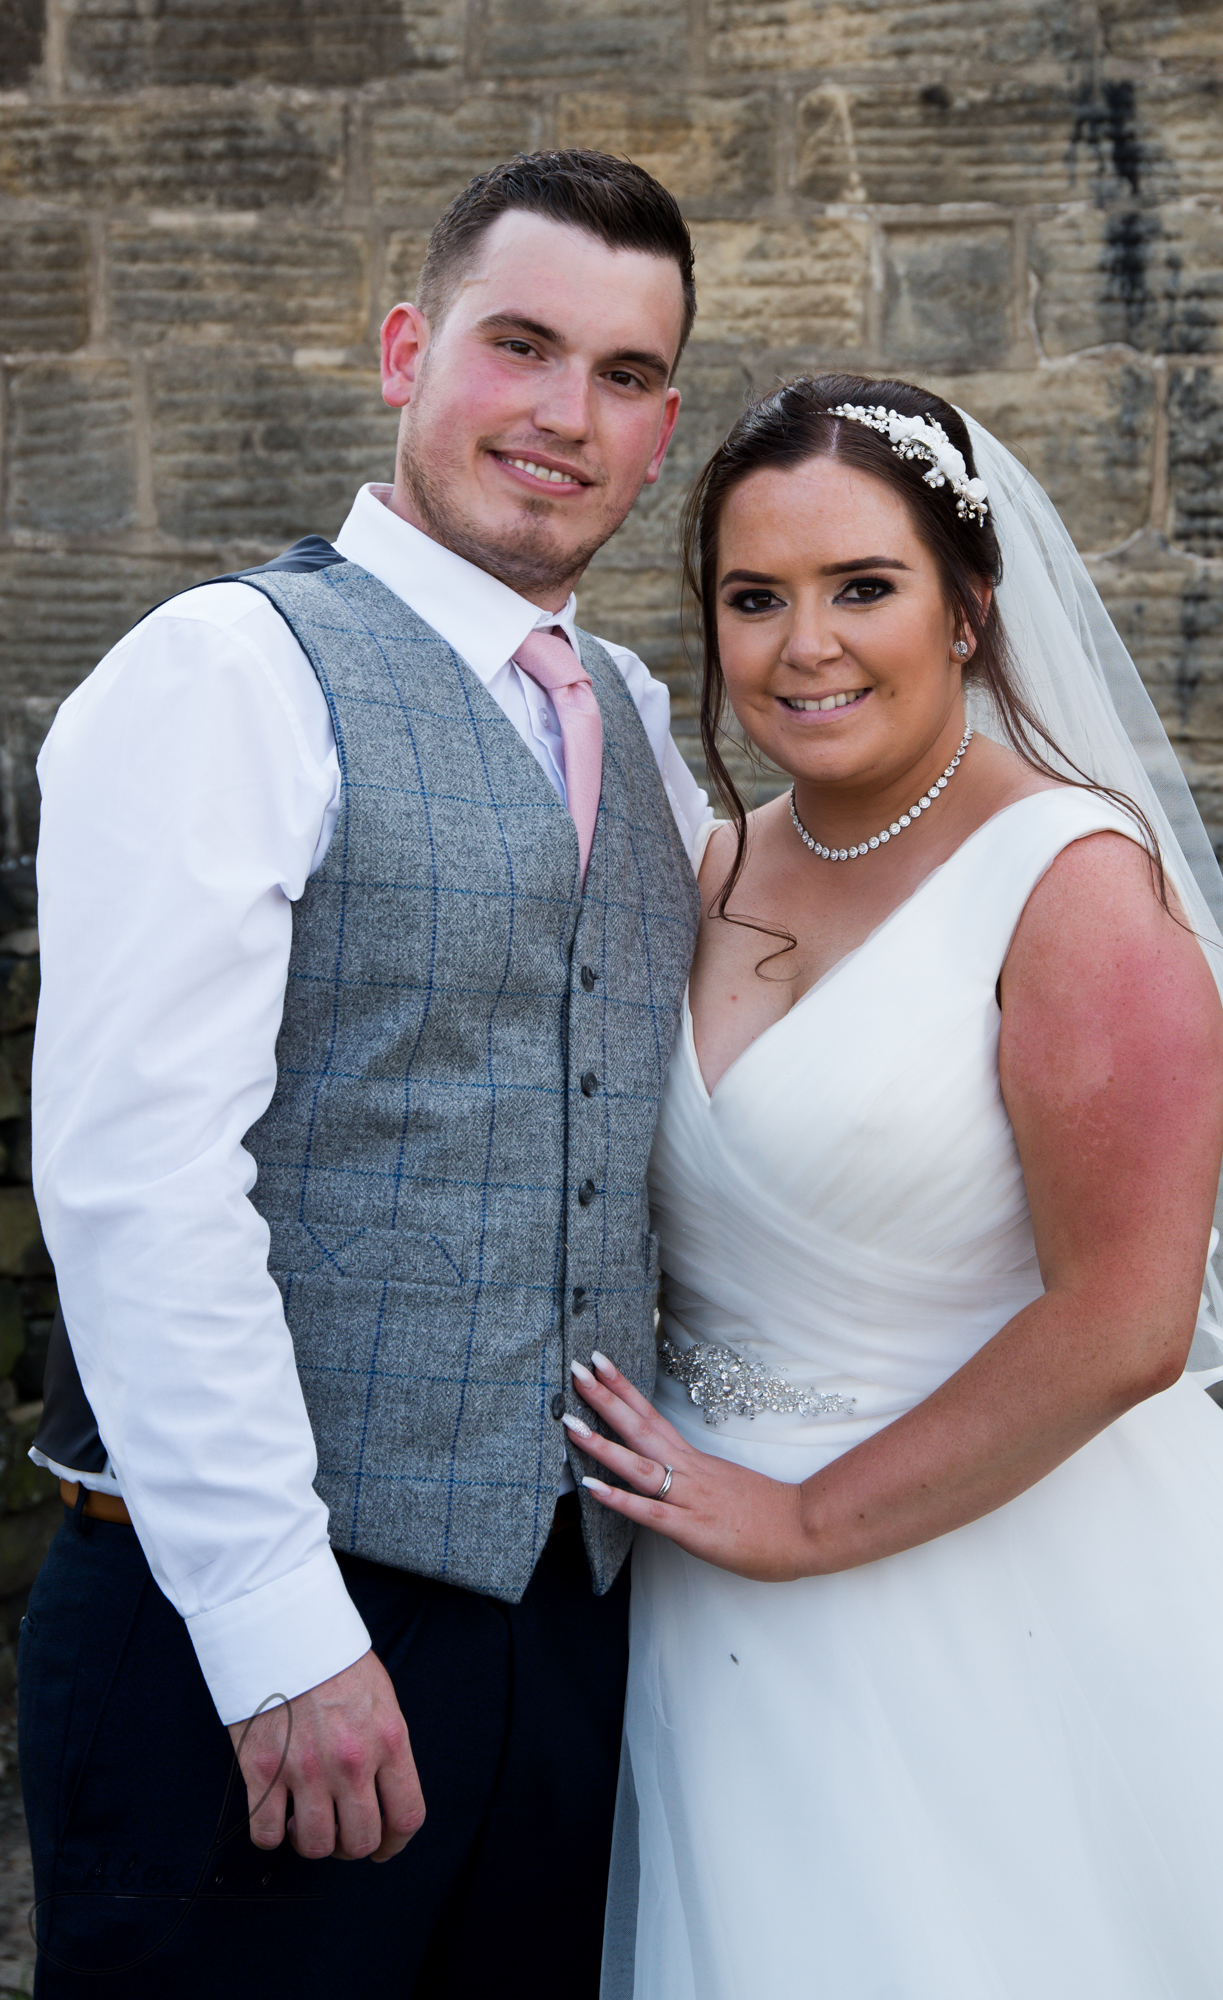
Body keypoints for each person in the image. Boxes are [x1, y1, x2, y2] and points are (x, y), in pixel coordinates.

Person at [19, 151, 712, 1998]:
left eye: (628, 377)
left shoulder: (643, 725)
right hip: (253, 1626)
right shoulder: (227, 674)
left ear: (662, 431)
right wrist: (276, 1635)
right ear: (408, 348)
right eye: (522, 346)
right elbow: (141, 1181)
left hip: (566, 1633)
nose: (569, 416)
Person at [570, 376, 1223, 1998]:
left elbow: (1128, 1320)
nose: (805, 646)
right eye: (754, 598)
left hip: (975, 1585)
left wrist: (800, 1520)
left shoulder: (1072, 886)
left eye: (865, 588)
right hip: (700, 1599)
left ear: (970, 608)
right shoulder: (702, 868)